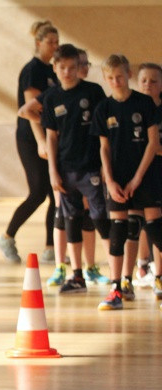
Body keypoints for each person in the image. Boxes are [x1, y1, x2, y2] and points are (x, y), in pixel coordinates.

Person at [37, 44, 110, 294]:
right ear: (55, 68)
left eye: (72, 67)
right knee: (71, 220)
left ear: (80, 68)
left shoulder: (93, 92)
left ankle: (119, 276)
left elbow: (105, 134)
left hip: (91, 168)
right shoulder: (51, 97)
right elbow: (51, 136)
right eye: (62, 68)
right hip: (65, 170)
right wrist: (52, 171)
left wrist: (104, 166)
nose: (67, 72)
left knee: (100, 219)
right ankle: (77, 275)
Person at [91, 54, 162, 310]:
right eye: (110, 78)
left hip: (145, 175)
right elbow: (104, 149)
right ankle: (116, 288)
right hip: (118, 180)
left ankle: (159, 280)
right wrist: (110, 181)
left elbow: (153, 143)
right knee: (118, 230)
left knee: (154, 228)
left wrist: (137, 179)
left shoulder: (144, 103)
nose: (115, 81)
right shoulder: (103, 109)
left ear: (128, 75)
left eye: (119, 76)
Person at [0, 20, 59, 264]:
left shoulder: (52, 70)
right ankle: (7, 236)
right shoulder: (33, 70)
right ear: (38, 43)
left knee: (55, 193)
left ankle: (51, 248)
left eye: (56, 42)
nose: (54, 46)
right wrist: (41, 141)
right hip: (30, 138)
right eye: (50, 42)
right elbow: (30, 110)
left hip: (49, 137)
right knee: (38, 192)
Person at [127, 63, 162, 301]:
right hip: (135, 172)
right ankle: (140, 266)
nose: (148, 84)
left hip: (158, 172)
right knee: (135, 221)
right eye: (143, 80)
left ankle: (159, 273)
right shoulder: (133, 109)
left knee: (157, 223)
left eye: (153, 80)